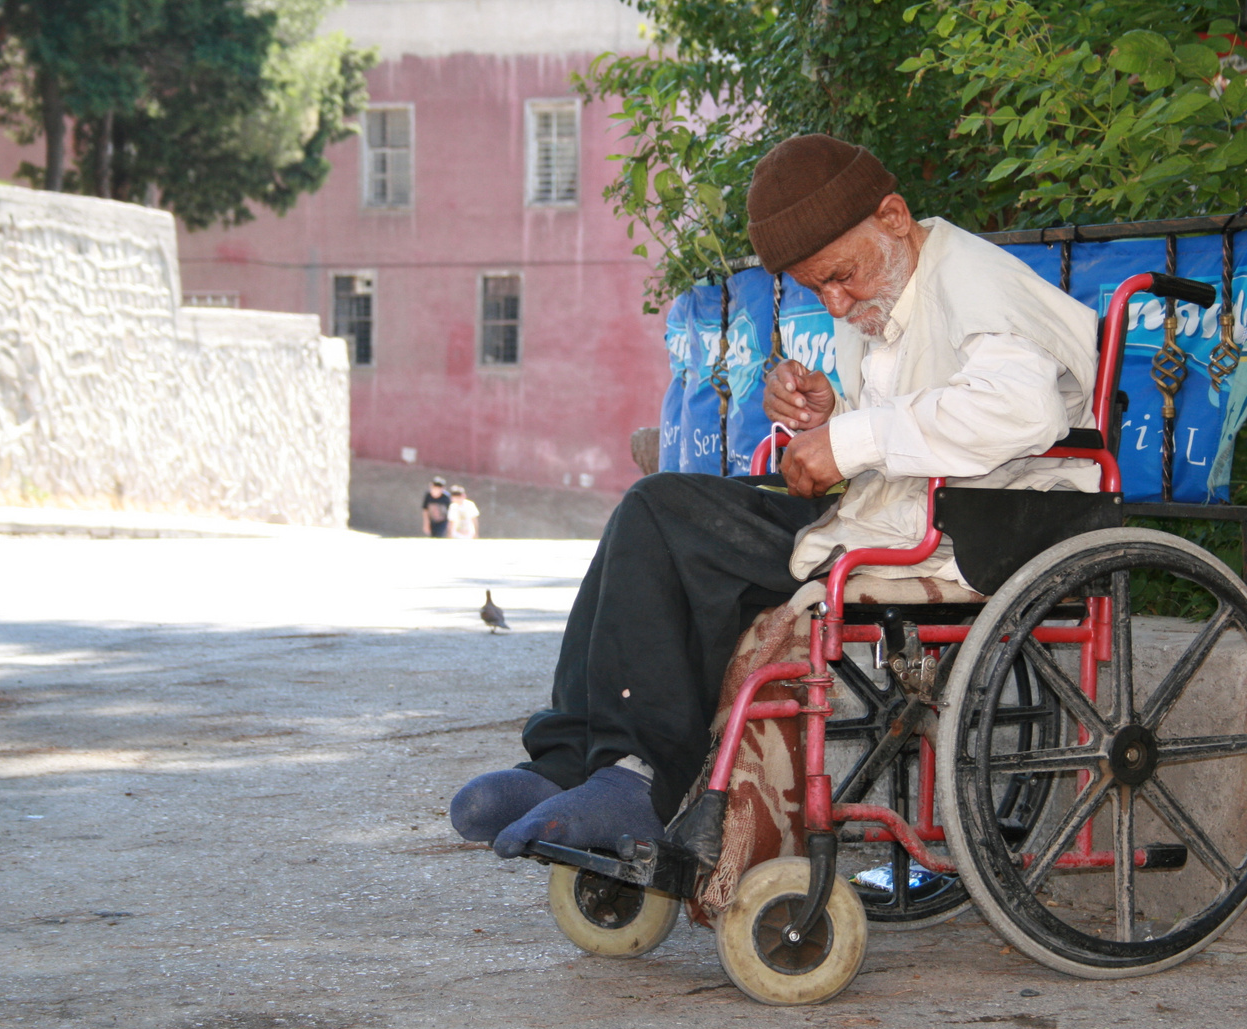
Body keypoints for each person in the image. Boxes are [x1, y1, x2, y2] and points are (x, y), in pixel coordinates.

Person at [449, 134, 1100, 857]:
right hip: (894, 510)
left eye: (840, 278)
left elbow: (1018, 413)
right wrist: (827, 413)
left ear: (891, 215)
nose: (835, 301)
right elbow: (917, 419)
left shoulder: (973, 280)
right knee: (655, 512)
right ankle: (569, 762)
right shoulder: (892, 291)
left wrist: (846, 443)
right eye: (816, 288)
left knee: (669, 518)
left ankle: (632, 781)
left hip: (979, 525)